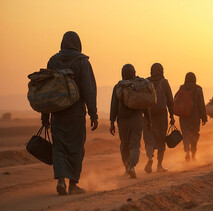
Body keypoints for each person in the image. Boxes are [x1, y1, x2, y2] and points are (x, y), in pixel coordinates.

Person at [41, 31, 98, 195]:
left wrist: (45, 116)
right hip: (76, 114)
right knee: (76, 148)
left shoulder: (53, 61)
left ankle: (60, 181)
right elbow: (89, 90)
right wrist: (93, 114)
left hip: (57, 113)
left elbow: (46, 90)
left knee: (59, 147)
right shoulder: (82, 62)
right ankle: (73, 185)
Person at [109, 64, 151, 178]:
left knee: (124, 145)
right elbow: (145, 104)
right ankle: (132, 166)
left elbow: (113, 106)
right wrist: (148, 120)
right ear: (134, 72)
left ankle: (127, 168)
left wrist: (112, 122)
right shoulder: (140, 85)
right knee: (135, 145)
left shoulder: (118, 87)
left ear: (122, 74)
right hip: (137, 119)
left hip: (122, 121)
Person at [142, 63, 175, 173]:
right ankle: (159, 166)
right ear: (162, 70)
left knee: (149, 139)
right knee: (161, 140)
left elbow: (140, 99)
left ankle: (150, 158)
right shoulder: (164, 83)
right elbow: (170, 100)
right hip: (161, 116)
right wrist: (172, 116)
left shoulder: (146, 82)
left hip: (148, 115)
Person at [175, 72, 207, 161]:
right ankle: (193, 153)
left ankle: (187, 151)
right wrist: (204, 117)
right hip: (195, 117)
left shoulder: (182, 88)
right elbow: (201, 104)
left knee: (185, 134)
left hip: (184, 116)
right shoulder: (198, 89)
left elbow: (176, 99)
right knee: (194, 135)